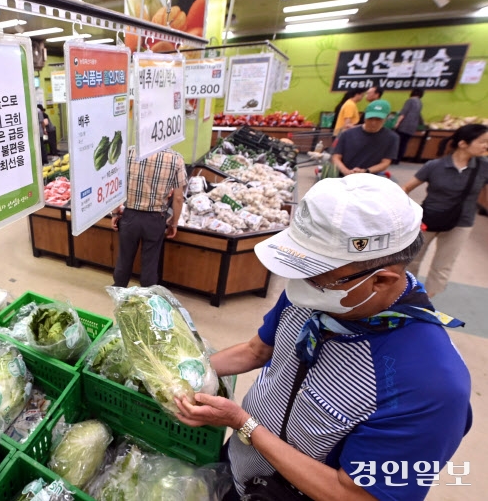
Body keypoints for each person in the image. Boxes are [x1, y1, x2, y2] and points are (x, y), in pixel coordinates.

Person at [174, 174, 471, 500]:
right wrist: (182, 370)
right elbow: (256, 350)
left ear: (381, 281)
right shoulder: (319, 295)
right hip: (241, 468)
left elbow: (356, 495)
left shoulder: (430, 385)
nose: (298, 285)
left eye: (315, 276)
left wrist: (245, 425)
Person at [403, 124, 488, 297]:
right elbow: (405, 188)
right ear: (463, 143)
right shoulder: (434, 166)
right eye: (483, 142)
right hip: (428, 220)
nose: (486, 146)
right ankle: (407, 295)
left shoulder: (484, 166)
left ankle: (425, 300)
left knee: (443, 265)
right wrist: (407, 214)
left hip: (461, 223)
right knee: (411, 260)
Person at [112, 148, 185, 288]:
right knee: (150, 261)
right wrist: (174, 223)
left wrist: (115, 213)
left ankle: (119, 292)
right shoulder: (176, 158)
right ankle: (146, 298)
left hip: (130, 216)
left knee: (124, 257)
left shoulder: (129, 152)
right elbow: (178, 197)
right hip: (155, 218)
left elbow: (118, 185)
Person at [331, 99, 399, 176]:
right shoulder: (347, 134)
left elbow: (385, 163)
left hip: (370, 176)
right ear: (365, 116)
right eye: (370, 118)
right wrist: (346, 171)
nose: (373, 123)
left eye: (378, 119)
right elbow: (336, 157)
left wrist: (365, 171)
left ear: (386, 118)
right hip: (343, 175)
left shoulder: (392, 138)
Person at [394, 89, 425, 164]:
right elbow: (419, 115)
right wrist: (423, 125)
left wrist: (397, 123)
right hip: (412, 127)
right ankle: (398, 159)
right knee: (404, 143)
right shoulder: (420, 103)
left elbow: (404, 112)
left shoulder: (410, 100)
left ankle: (393, 158)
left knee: (397, 142)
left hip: (404, 125)